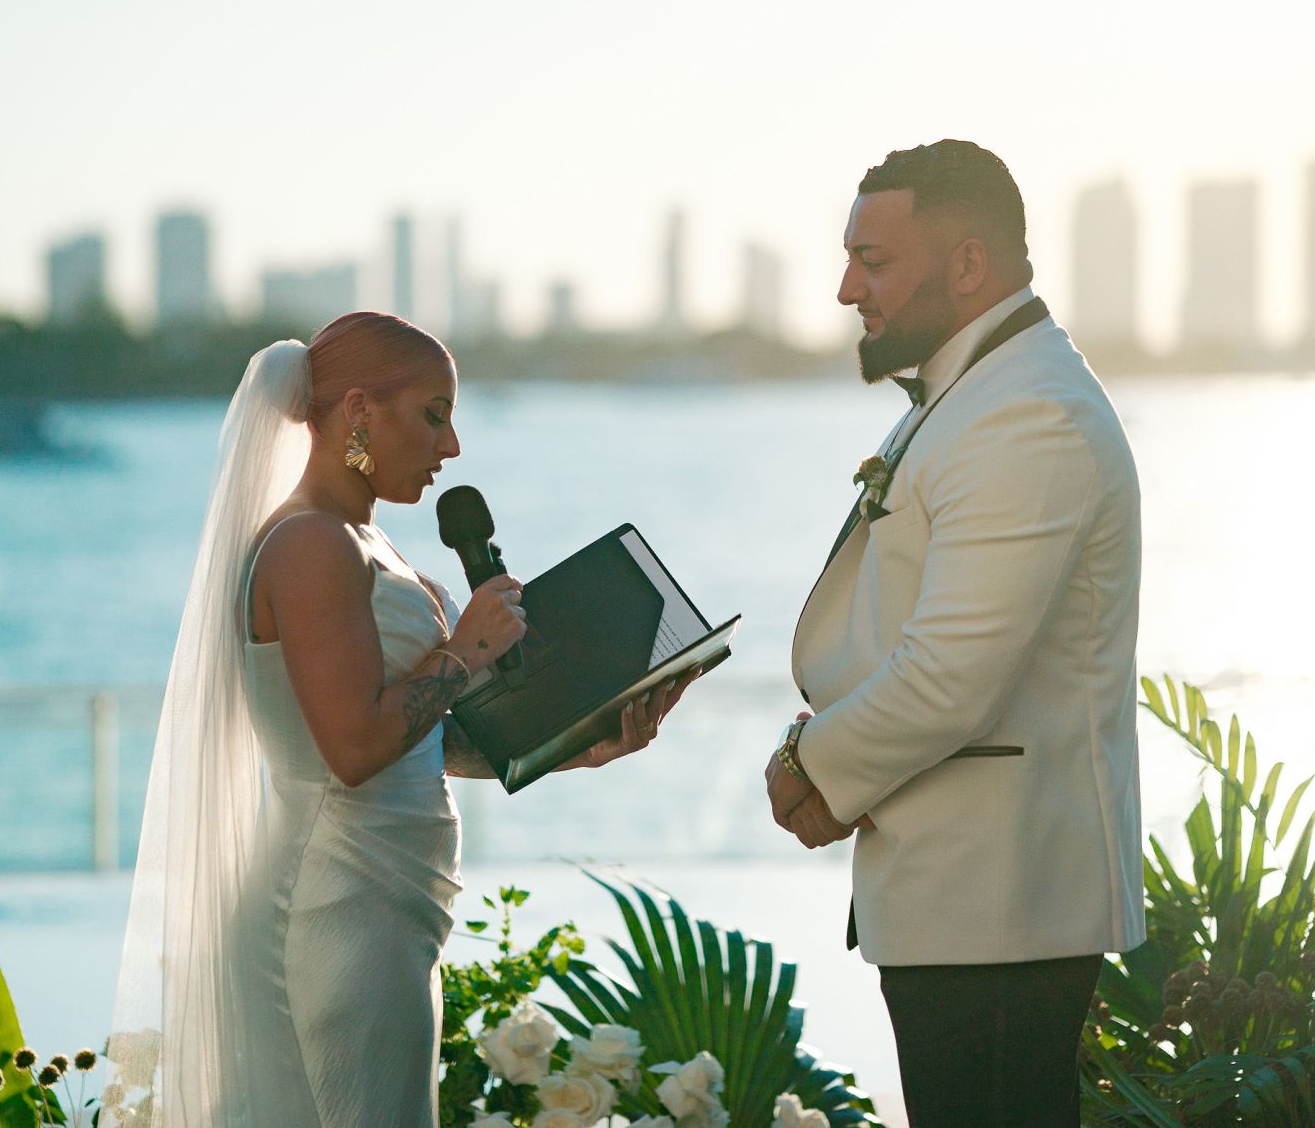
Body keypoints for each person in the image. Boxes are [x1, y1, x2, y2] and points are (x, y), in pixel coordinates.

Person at [103, 311, 693, 1127]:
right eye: (434, 414)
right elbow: (353, 748)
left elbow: (426, 743)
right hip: (334, 905)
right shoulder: (311, 546)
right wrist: (465, 650)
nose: (451, 448)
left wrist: (578, 746)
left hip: (386, 909)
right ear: (358, 412)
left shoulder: (364, 541)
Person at [765, 142, 1144, 1126]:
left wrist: (811, 759)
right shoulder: (975, 394)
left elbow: (949, 675)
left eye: (875, 261)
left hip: (1003, 901)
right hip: (963, 895)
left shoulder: (1027, 414)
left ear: (969, 264)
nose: (848, 287)